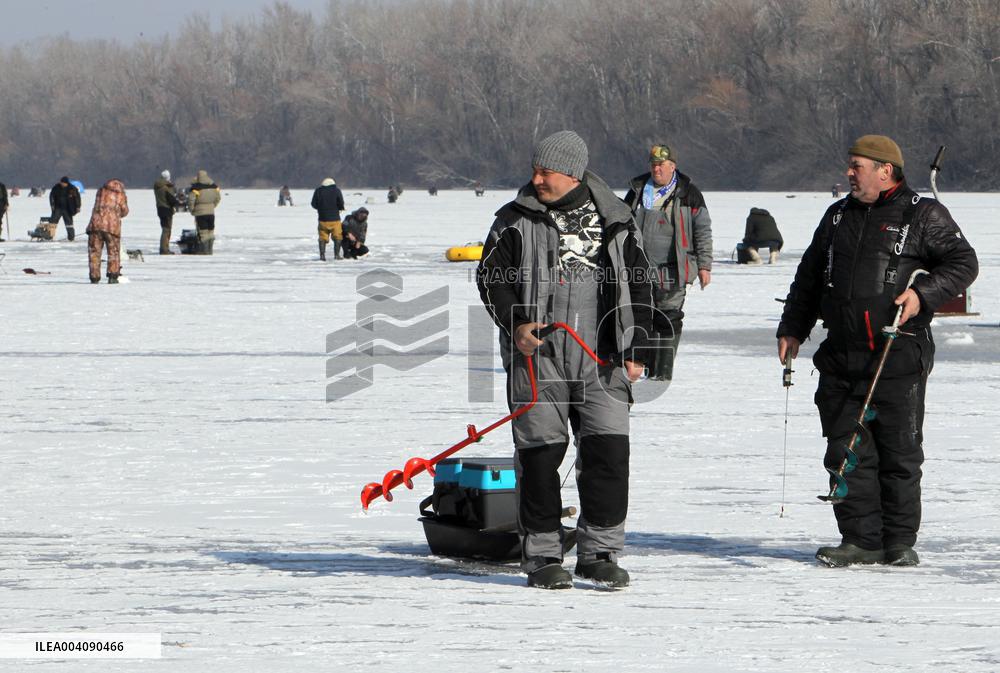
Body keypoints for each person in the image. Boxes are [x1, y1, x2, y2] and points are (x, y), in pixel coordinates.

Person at [777, 135, 978, 568]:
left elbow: (963, 263)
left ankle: (899, 542)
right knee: (845, 450)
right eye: (850, 166)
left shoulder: (923, 214)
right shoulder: (836, 217)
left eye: (857, 166)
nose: (849, 173)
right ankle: (860, 539)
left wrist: (923, 294)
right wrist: (793, 327)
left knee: (899, 453)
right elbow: (809, 277)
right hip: (841, 354)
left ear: (885, 170)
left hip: (898, 354)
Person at [476, 130, 654, 590]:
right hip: (538, 358)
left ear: (572, 173)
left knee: (608, 456)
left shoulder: (617, 218)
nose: (535, 179)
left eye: (545, 171)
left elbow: (640, 285)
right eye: (534, 169)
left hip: (603, 357)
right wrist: (516, 325)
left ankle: (600, 553)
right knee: (540, 457)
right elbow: (491, 278)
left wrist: (636, 350)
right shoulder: (513, 220)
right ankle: (542, 556)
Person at [623, 144, 713, 381]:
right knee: (643, 316)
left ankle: (662, 372)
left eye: (661, 165)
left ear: (673, 166)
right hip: (640, 269)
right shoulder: (637, 190)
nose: (656, 169)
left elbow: (702, 231)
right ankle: (645, 365)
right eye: (653, 165)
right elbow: (621, 224)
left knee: (669, 317)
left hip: (673, 270)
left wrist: (704, 266)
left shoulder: (689, 194)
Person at [86, 179, 129, 284]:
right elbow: (125, 211)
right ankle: (113, 276)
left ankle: (94, 277)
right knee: (113, 252)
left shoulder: (100, 191)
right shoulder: (120, 195)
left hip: (95, 225)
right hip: (112, 227)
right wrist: (116, 214)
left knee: (94, 252)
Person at [311, 178, 345, 261]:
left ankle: (322, 256)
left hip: (322, 219)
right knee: (338, 237)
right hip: (335, 219)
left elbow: (313, 204)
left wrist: (321, 209)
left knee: (322, 237)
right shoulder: (336, 190)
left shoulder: (318, 191)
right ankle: (336, 255)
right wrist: (340, 208)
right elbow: (340, 202)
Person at [189, 170, 221, 254]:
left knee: (203, 233)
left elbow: (191, 200)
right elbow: (218, 198)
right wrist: (212, 206)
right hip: (211, 213)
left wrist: (192, 210)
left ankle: (204, 251)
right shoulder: (214, 187)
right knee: (210, 232)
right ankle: (210, 251)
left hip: (200, 213)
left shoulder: (196, 188)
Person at [49, 176, 82, 241]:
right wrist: (52, 205)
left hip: (68, 209)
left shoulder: (72, 188)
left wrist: (78, 206)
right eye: (61, 182)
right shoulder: (56, 187)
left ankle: (71, 237)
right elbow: (51, 196)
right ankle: (49, 236)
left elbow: (77, 198)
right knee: (53, 222)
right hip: (57, 208)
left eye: (63, 183)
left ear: (66, 183)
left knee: (69, 224)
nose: (61, 184)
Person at [153, 170, 178, 254]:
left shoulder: (158, 186)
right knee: (166, 230)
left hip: (160, 209)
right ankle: (164, 249)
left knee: (164, 229)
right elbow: (171, 200)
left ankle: (165, 248)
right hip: (167, 210)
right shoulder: (165, 188)